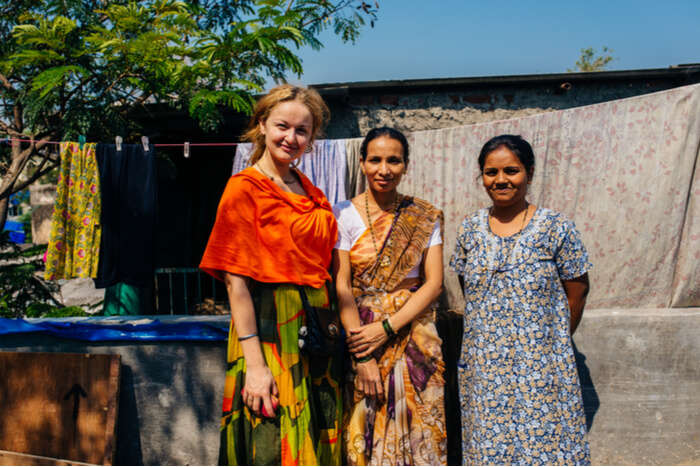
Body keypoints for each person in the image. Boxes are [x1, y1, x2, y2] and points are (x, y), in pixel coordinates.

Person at [200, 84, 342, 465]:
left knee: (319, 434)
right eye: (282, 126)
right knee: (272, 437)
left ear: (312, 138)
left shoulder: (311, 191)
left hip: (315, 332)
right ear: (261, 124)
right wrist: (257, 366)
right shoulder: (244, 189)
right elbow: (236, 282)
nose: (291, 138)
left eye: (302, 131)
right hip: (269, 330)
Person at [450, 134, 592, 465]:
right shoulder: (470, 228)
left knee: (543, 446)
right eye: (491, 172)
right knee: (489, 446)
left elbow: (578, 288)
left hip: (539, 366)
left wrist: (551, 340)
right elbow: (468, 286)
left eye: (511, 171)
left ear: (528, 172)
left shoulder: (555, 227)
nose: (500, 180)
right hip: (485, 367)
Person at [333, 127, 447, 465]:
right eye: (376, 160)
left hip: (414, 333)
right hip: (361, 336)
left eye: (394, 161)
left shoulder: (424, 216)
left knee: (422, 428)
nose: (384, 169)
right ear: (363, 162)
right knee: (366, 423)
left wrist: (387, 327)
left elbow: (433, 283)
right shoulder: (342, 215)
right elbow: (341, 285)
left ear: (406, 165)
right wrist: (363, 356)